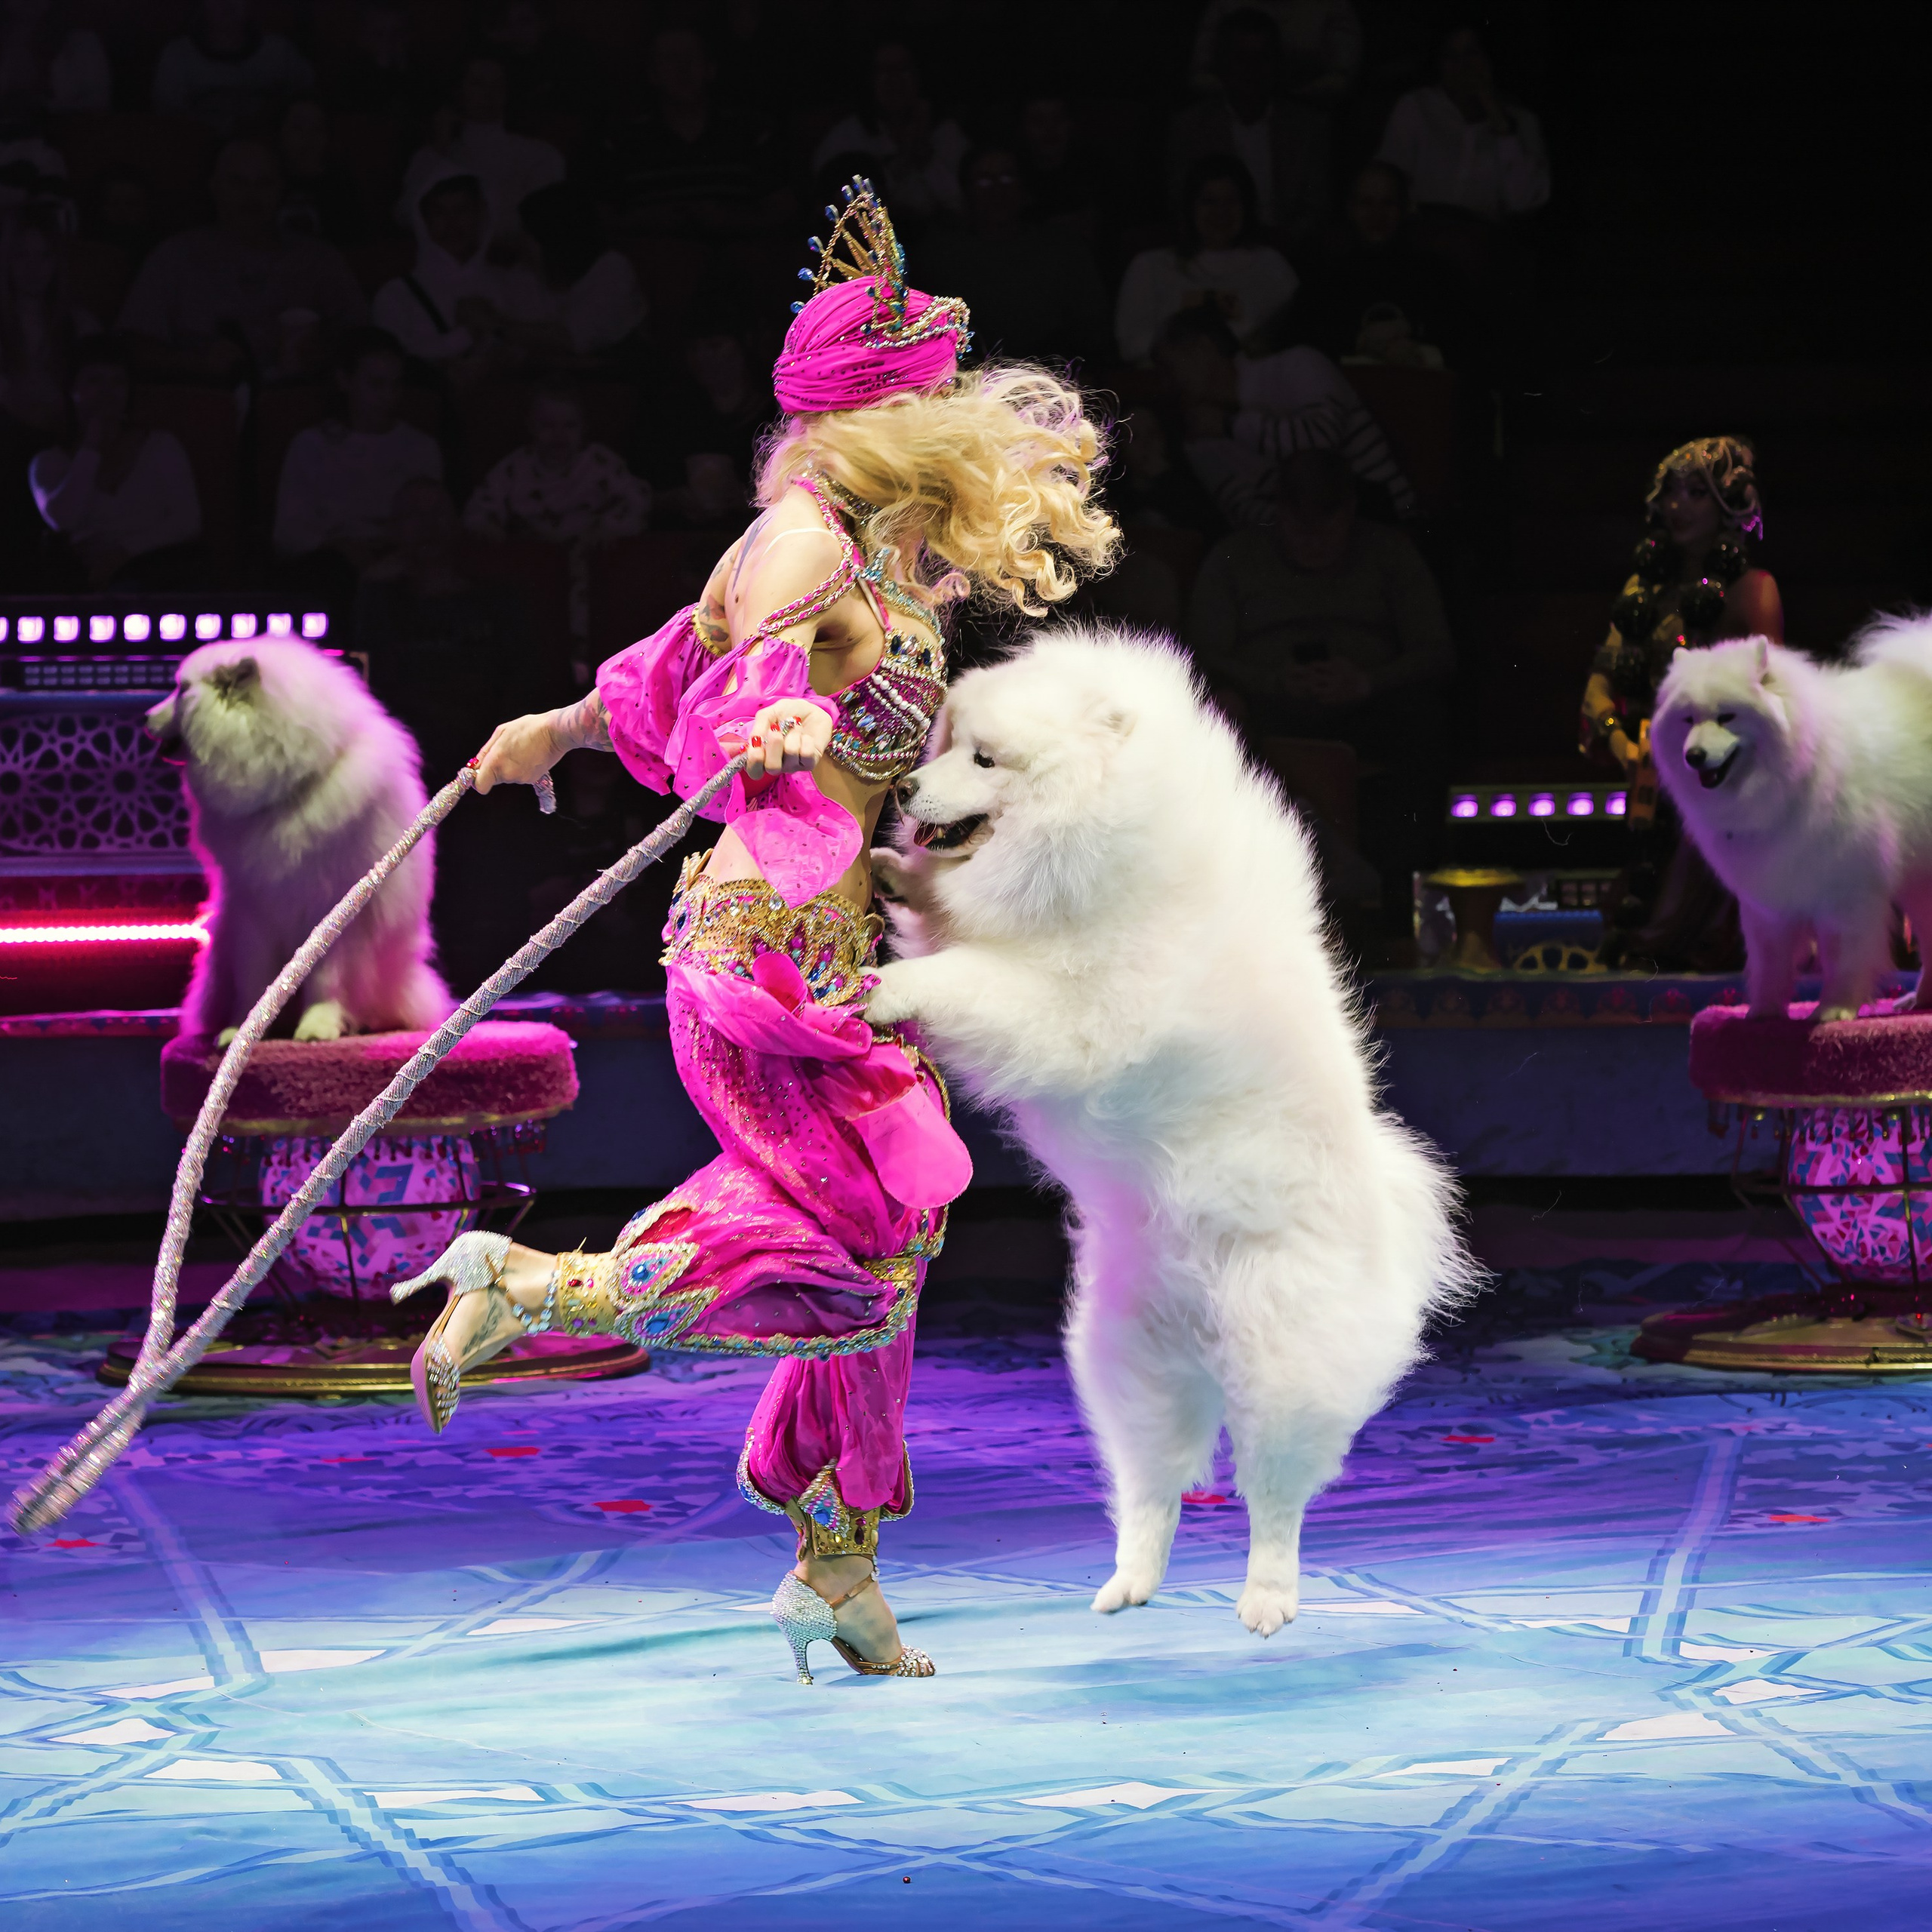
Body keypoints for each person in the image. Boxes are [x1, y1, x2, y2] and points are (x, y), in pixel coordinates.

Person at [392, 183, 1118, 1681]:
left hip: (826, 952)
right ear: (881, 416)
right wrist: (775, 717)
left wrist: (552, 730)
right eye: (930, 396)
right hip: (761, 954)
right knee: (856, 1248)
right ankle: (529, 1289)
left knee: (893, 1234)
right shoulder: (799, 539)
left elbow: (664, 665)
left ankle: (839, 1563)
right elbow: (739, 679)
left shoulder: (868, 547)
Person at [1188, 445, 1451, 922]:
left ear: (1349, 511)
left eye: (1325, 525)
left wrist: (1368, 681)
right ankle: (1232, 900)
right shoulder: (1235, 557)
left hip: (1370, 706)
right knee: (1217, 713)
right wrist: (1273, 682)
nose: (1313, 541)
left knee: (1425, 715)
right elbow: (1203, 655)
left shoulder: (1388, 553)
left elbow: (1434, 651)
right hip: (1268, 708)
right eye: (1300, 525)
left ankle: (1402, 897)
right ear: (1279, 512)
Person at [1580, 436, 1781, 969]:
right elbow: (1600, 686)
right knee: (1634, 910)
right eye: (1671, 492)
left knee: (1676, 923)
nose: (1677, 505)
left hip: (1721, 787)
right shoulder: (1642, 590)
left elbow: (1772, 701)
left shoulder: (1753, 590)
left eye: (1696, 492)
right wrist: (1623, 744)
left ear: (1729, 504)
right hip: (1651, 778)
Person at [116, 136, 366, 382]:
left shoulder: (320, 260)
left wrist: (323, 355)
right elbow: (134, 348)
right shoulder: (174, 257)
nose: (251, 195)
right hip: (206, 400)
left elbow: (364, 343)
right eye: (237, 182)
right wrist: (198, 364)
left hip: (303, 399)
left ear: (281, 188)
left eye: (264, 183)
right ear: (214, 187)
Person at [1155, 305, 1415, 525]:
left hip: (1391, 524)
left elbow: (1321, 445)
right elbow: (1245, 512)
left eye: (1169, 367)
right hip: (1304, 549)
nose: (1166, 385)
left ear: (1203, 348)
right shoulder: (1199, 437)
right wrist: (1307, 530)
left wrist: (1230, 426)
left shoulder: (1299, 364)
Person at [463, 379, 649, 640]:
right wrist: (492, 529)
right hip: (532, 562)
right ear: (530, 426)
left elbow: (639, 500)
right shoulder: (516, 468)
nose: (558, 435)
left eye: (569, 426)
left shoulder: (598, 462)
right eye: (547, 425)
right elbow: (478, 510)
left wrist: (610, 527)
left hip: (587, 562)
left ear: (583, 427)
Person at [272, 326, 442, 586]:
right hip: (330, 568)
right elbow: (288, 533)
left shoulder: (422, 447)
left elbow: (432, 525)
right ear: (344, 381)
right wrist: (337, 546)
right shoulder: (311, 446)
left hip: (403, 568)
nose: (388, 397)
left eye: (395, 385)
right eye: (376, 385)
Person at [30, 338, 203, 586]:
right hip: (86, 582)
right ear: (72, 390)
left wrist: (124, 552)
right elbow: (64, 520)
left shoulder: (161, 446)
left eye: (118, 382)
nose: (107, 392)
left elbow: (188, 521)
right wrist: (91, 446)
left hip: (160, 571)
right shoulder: (48, 462)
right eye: (94, 381)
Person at [919, 142, 1109, 365]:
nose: (998, 190)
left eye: (1007, 178)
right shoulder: (943, 257)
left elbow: (1092, 330)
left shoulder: (1062, 250)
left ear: (1023, 186)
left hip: (1056, 374)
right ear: (967, 190)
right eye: (984, 180)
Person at [595, 23, 789, 239]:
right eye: (670, 58)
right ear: (652, 74)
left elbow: (785, 212)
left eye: (692, 57)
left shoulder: (753, 133)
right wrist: (647, 221)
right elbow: (600, 222)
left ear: (710, 68)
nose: (683, 67)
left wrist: (731, 220)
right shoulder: (621, 142)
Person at [1168, 6, 1338, 248]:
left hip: (1288, 254)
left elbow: (1317, 209)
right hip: (1212, 252)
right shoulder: (1190, 128)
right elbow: (1181, 206)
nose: (1252, 68)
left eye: (1263, 57)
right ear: (1222, 63)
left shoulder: (1309, 128)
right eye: (1241, 57)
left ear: (1276, 63)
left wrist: (1281, 242)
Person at [1115, 155, 1299, 365]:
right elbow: (1131, 344)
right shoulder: (1149, 267)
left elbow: (1290, 339)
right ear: (1190, 208)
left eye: (1231, 201)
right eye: (1209, 202)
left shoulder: (1271, 265)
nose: (1221, 212)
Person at [1290, 158, 1462, 367]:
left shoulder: (1433, 271)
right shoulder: (1327, 274)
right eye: (1366, 203)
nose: (1377, 214)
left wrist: (1411, 328)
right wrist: (1360, 342)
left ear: (1404, 208)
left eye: (1388, 203)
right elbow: (1299, 333)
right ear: (1350, 209)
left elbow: (1463, 327)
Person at [1375, 23, 1549, 227]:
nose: (1462, 65)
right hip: (1419, 233)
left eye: (1471, 53)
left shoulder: (1523, 122)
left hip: (1485, 240)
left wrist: (1500, 123)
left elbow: (1524, 201)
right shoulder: (1416, 108)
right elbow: (1385, 183)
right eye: (1450, 56)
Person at [371, 168, 537, 380]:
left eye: (462, 210)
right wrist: (467, 335)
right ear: (424, 220)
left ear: (481, 214)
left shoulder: (511, 283)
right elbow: (392, 364)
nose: (452, 223)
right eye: (440, 213)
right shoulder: (395, 296)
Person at [395, 53, 565, 245]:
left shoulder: (540, 155)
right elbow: (406, 214)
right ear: (458, 91)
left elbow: (545, 221)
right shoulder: (433, 155)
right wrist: (440, 148)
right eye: (478, 83)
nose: (489, 93)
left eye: (498, 84)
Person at [812, 42, 968, 226]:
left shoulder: (947, 133)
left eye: (904, 70)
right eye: (884, 71)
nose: (895, 81)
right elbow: (831, 208)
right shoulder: (846, 137)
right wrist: (904, 159)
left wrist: (925, 157)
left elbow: (966, 202)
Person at [513, 182, 648, 361]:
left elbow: (570, 339)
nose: (519, 242)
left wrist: (495, 323)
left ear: (552, 239)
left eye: (526, 234)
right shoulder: (531, 276)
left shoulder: (612, 270)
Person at [1, 202, 96, 443]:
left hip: (61, 445)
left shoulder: (81, 325)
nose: (33, 268)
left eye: (44, 255)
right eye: (22, 255)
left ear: (57, 261)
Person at [151, 0, 316, 135]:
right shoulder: (177, 56)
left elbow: (309, 103)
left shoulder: (280, 52)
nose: (226, 3)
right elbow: (170, 125)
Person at [275, 97, 369, 249]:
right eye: (297, 128)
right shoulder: (263, 180)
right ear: (280, 132)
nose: (308, 137)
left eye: (317, 129)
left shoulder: (342, 187)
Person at [0, 0, 110, 119]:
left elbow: (99, 101)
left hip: (80, 127)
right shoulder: (10, 47)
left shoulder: (84, 43)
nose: (28, 5)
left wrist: (47, 108)